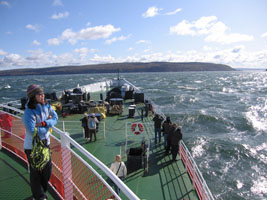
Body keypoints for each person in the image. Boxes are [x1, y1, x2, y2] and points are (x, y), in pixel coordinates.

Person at [23, 84, 58, 200]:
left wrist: (44, 123)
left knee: (47, 171)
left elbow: (56, 118)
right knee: (36, 173)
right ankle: (39, 196)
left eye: (43, 93)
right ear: (33, 97)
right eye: (39, 94)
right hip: (32, 147)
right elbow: (33, 131)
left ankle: (40, 192)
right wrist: (48, 126)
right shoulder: (29, 112)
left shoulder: (46, 106)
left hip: (45, 144)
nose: (43, 96)